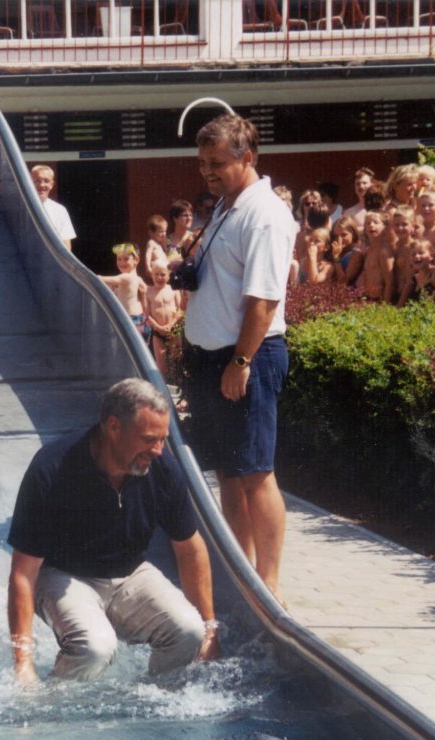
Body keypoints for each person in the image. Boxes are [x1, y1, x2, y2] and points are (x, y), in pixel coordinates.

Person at [6, 378, 219, 687]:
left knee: (189, 632)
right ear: (113, 427)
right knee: (96, 648)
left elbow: (190, 549)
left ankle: (152, 704)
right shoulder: (52, 469)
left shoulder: (163, 470)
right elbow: (23, 573)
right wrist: (22, 663)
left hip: (130, 574)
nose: (159, 450)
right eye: (149, 439)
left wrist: (211, 629)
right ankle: (52, 714)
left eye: (163, 439)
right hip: (62, 574)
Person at [178, 113, 293, 607]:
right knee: (228, 470)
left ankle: (268, 585)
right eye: (203, 163)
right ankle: (239, 571)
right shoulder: (227, 206)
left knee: (256, 472)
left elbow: (263, 301)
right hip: (213, 358)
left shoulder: (264, 213)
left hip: (246, 357)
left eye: (218, 162)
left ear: (248, 157)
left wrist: (241, 363)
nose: (207, 171)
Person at [100, 243, 150, 346]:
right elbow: (145, 308)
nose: (122, 262)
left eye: (126, 259)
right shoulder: (139, 279)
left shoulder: (126, 277)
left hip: (130, 321)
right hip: (140, 320)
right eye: (119, 259)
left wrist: (85, 273)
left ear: (136, 260)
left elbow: (105, 279)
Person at [147, 261, 183, 380]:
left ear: (168, 276)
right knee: (162, 366)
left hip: (173, 330)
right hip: (158, 333)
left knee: (176, 361)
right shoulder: (149, 291)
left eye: (163, 274)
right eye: (156, 274)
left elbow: (181, 310)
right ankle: (164, 389)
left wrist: (171, 324)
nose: (159, 277)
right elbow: (146, 314)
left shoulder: (173, 290)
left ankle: (178, 386)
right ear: (151, 275)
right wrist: (158, 327)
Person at [30, 165, 76, 250]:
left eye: (46, 181)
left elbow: (66, 245)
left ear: (52, 185)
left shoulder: (60, 210)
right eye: (36, 181)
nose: (41, 185)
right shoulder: (19, 207)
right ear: (29, 183)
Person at [355, 210, 394, 302]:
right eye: (367, 223)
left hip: (380, 300)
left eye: (376, 222)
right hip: (368, 299)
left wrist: (385, 306)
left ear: (385, 227)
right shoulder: (369, 250)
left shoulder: (384, 251)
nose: (371, 225)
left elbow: (390, 282)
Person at [142, 214, 169, 283]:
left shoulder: (160, 245)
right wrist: (148, 267)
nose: (164, 234)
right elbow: (148, 254)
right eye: (161, 232)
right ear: (151, 233)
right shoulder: (152, 243)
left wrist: (164, 244)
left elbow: (167, 254)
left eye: (165, 231)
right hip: (157, 273)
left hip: (164, 272)